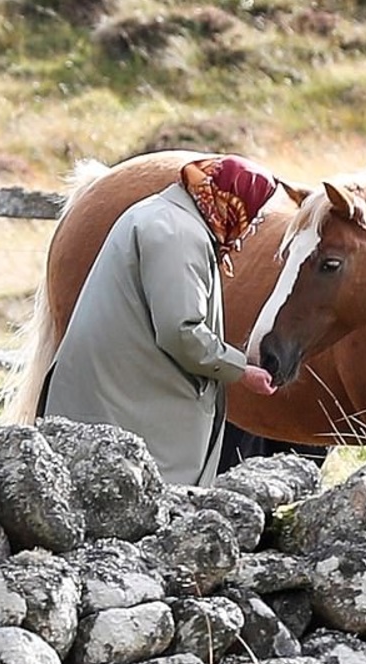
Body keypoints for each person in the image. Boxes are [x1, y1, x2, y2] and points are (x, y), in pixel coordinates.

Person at [38, 154, 280, 486]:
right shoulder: (180, 235)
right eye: (252, 213)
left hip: (113, 396)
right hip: (126, 407)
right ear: (231, 201)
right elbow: (181, 332)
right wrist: (240, 370)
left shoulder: (166, 215)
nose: (251, 226)